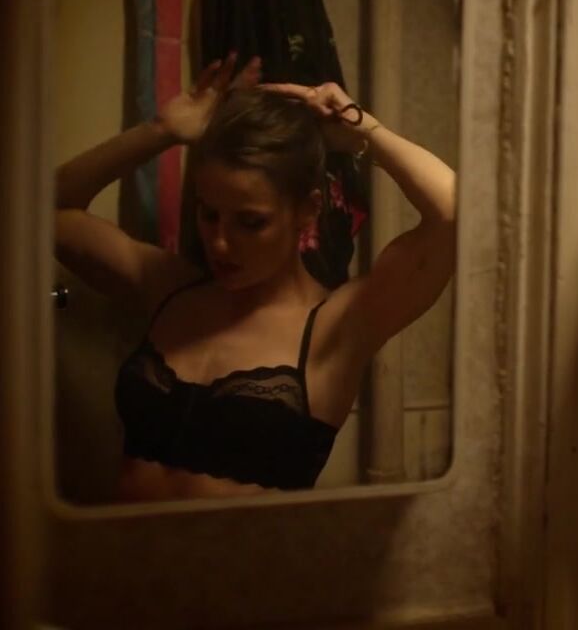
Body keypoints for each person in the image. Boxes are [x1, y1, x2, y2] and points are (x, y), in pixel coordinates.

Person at [54, 53, 456, 501]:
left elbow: (456, 213)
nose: (220, 244)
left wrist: (364, 131)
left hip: (250, 549)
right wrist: (161, 132)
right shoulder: (169, 286)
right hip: (121, 544)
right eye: (209, 215)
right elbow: (47, 210)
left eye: (250, 222)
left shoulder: (336, 327)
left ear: (308, 210)